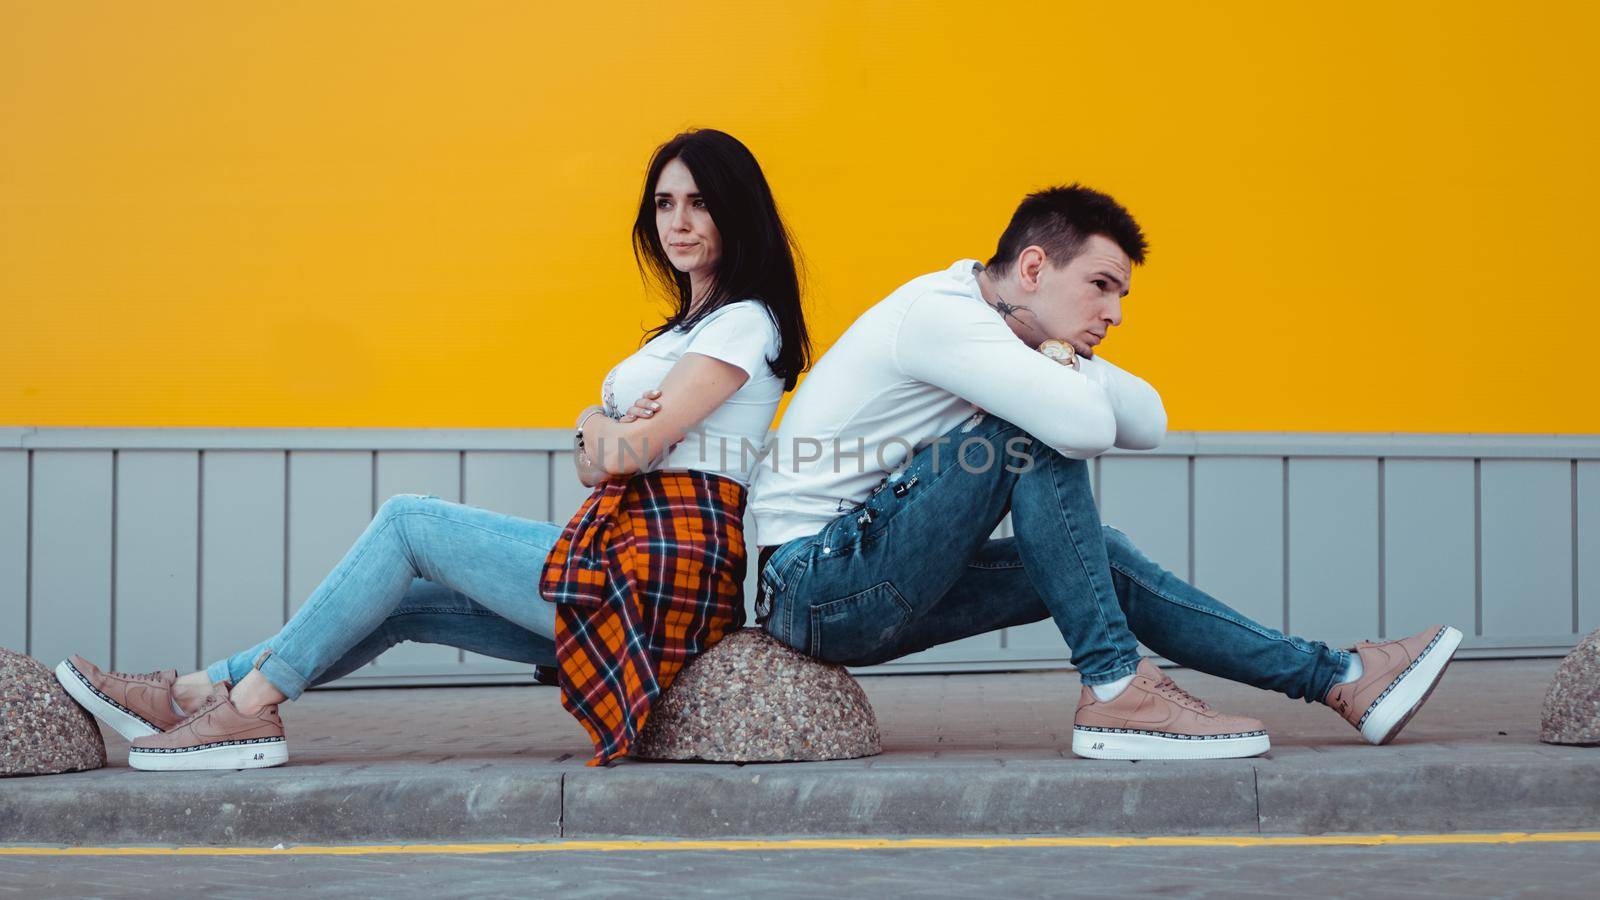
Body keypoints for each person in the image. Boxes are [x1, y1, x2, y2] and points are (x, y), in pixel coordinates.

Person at [54, 127, 812, 770]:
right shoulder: (684, 333)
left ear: (735, 212)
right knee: (403, 602)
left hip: (659, 569)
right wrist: (599, 421)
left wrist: (611, 433)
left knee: (409, 522)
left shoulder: (745, 321)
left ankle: (246, 706)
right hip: (615, 548)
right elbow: (597, 460)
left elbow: (624, 454)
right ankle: (195, 692)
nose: (678, 221)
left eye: (700, 203)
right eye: (665, 203)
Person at [728, 183, 1459, 760]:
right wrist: (1062, 368)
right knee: (1031, 431)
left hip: (866, 583)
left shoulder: (1013, 332)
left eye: (1122, 295)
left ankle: (1341, 679)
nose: (1115, 312)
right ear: (1035, 266)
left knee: (1100, 556)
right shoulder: (938, 314)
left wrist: (1058, 354)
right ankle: (1115, 684)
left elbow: (1149, 419)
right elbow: (1082, 426)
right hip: (814, 581)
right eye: (1101, 286)